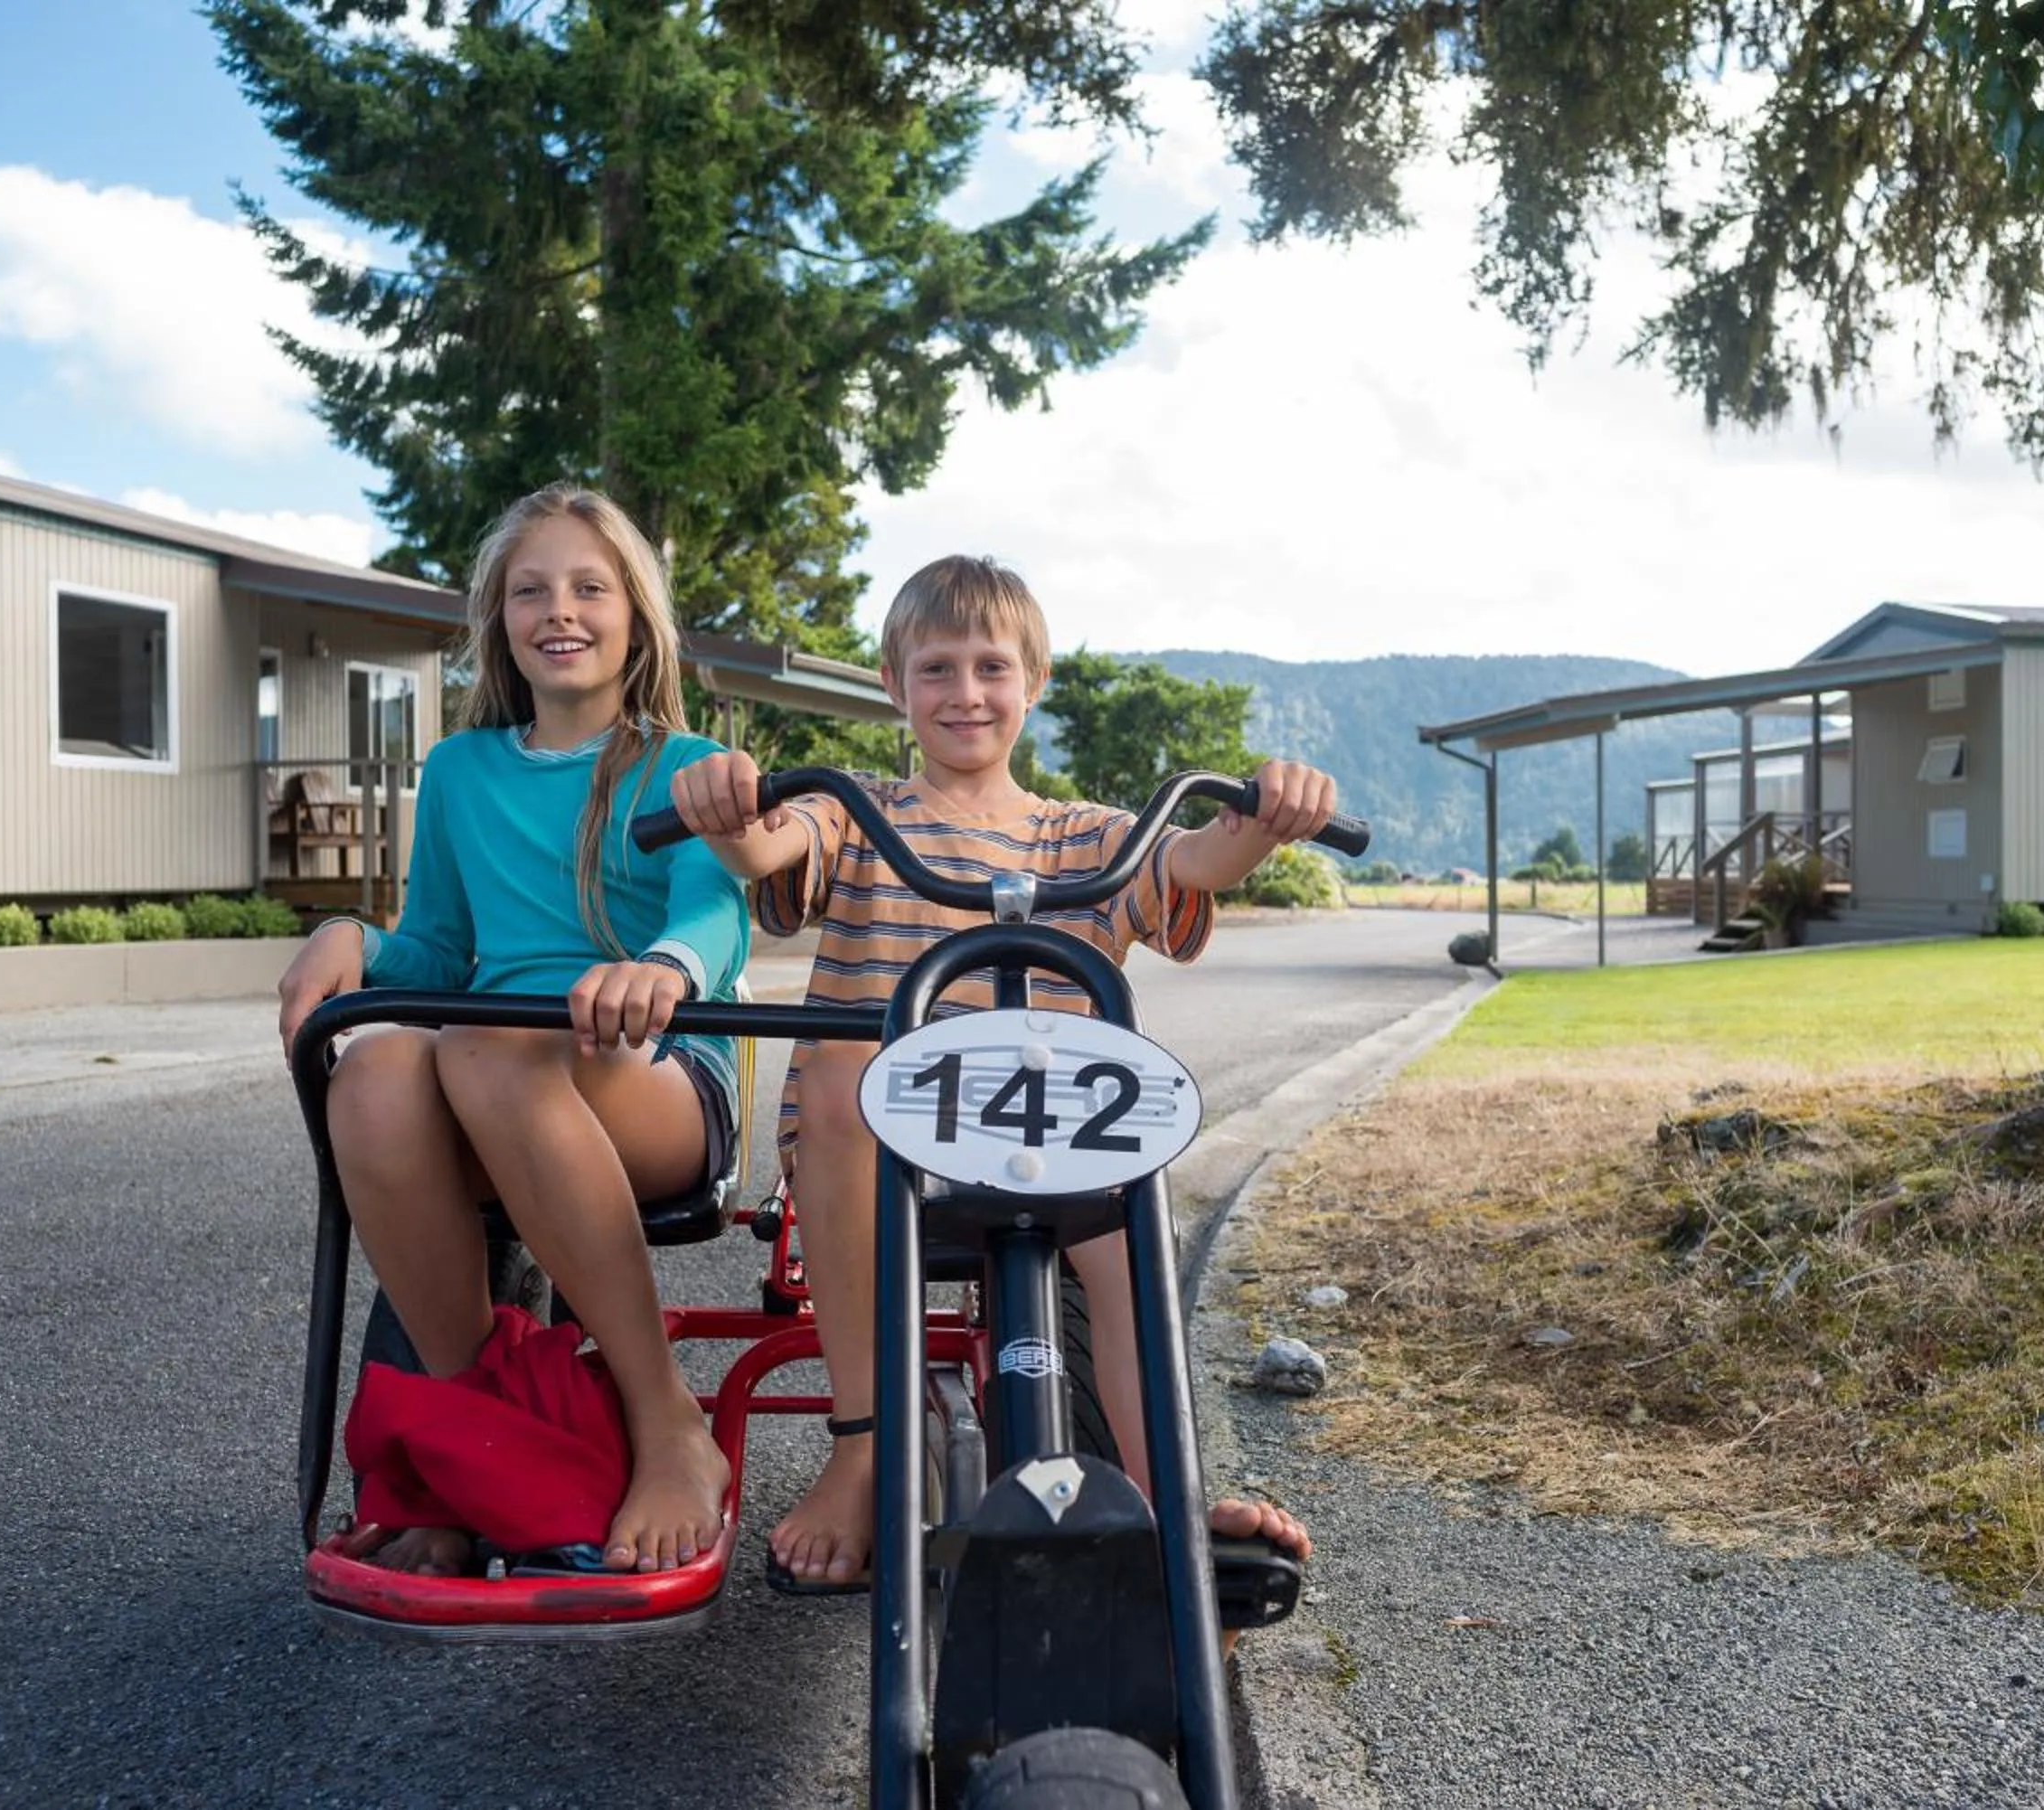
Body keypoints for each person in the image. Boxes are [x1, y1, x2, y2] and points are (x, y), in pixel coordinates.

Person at [667, 553, 1326, 1620]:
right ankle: (867, 1449)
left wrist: (1265, 818)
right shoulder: (860, 815)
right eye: (936, 669)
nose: (964, 693)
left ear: (1034, 681)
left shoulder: (1089, 838)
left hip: (1052, 1141)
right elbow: (767, 843)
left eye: (990, 668)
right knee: (844, 1065)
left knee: (1125, 1246)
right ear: (894, 684)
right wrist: (729, 806)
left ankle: (1167, 1502)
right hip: (881, 1146)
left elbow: (1196, 858)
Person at [276, 484, 748, 1577]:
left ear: (635, 614)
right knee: (378, 1063)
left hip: (655, 1072)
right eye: (530, 591)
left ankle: (663, 1418)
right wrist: (352, 935)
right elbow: (439, 950)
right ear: (499, 622)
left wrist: (660, 970)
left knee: (479, 1046)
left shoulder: (678, 766)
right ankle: (477, 1444)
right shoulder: (461, 771)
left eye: (590, 586)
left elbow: (712, 911)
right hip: (493, 1071)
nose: (560, 610)